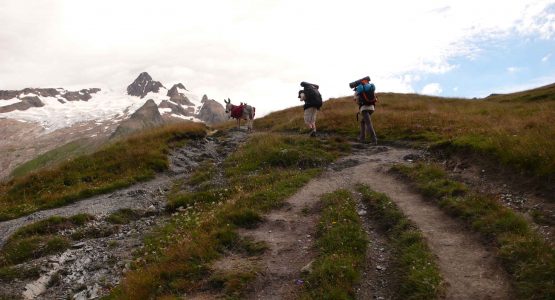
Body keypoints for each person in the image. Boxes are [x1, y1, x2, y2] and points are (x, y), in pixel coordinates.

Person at [354, 78, 378, 144]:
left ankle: (374, 140)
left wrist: (360, 107)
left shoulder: (359, 90)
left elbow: (357, 101)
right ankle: (362, 138)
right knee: (362, 122)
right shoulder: (370, 87)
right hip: (372, 108)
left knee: (368, 123)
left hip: (364, 108)